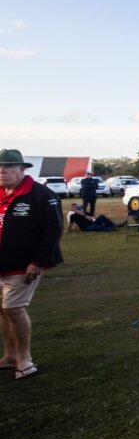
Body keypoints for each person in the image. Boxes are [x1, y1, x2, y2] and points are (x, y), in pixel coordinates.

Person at [0, 149, 63, 380]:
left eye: (8, 167)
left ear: (22, 169)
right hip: (2, 263)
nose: (2, 171)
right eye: (0, 167)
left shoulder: (41, 195)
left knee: (13, 308)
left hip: (24, 263)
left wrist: (38, 262)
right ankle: (9, 356)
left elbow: (53, 230)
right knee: (3, 310)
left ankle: (24, 360)